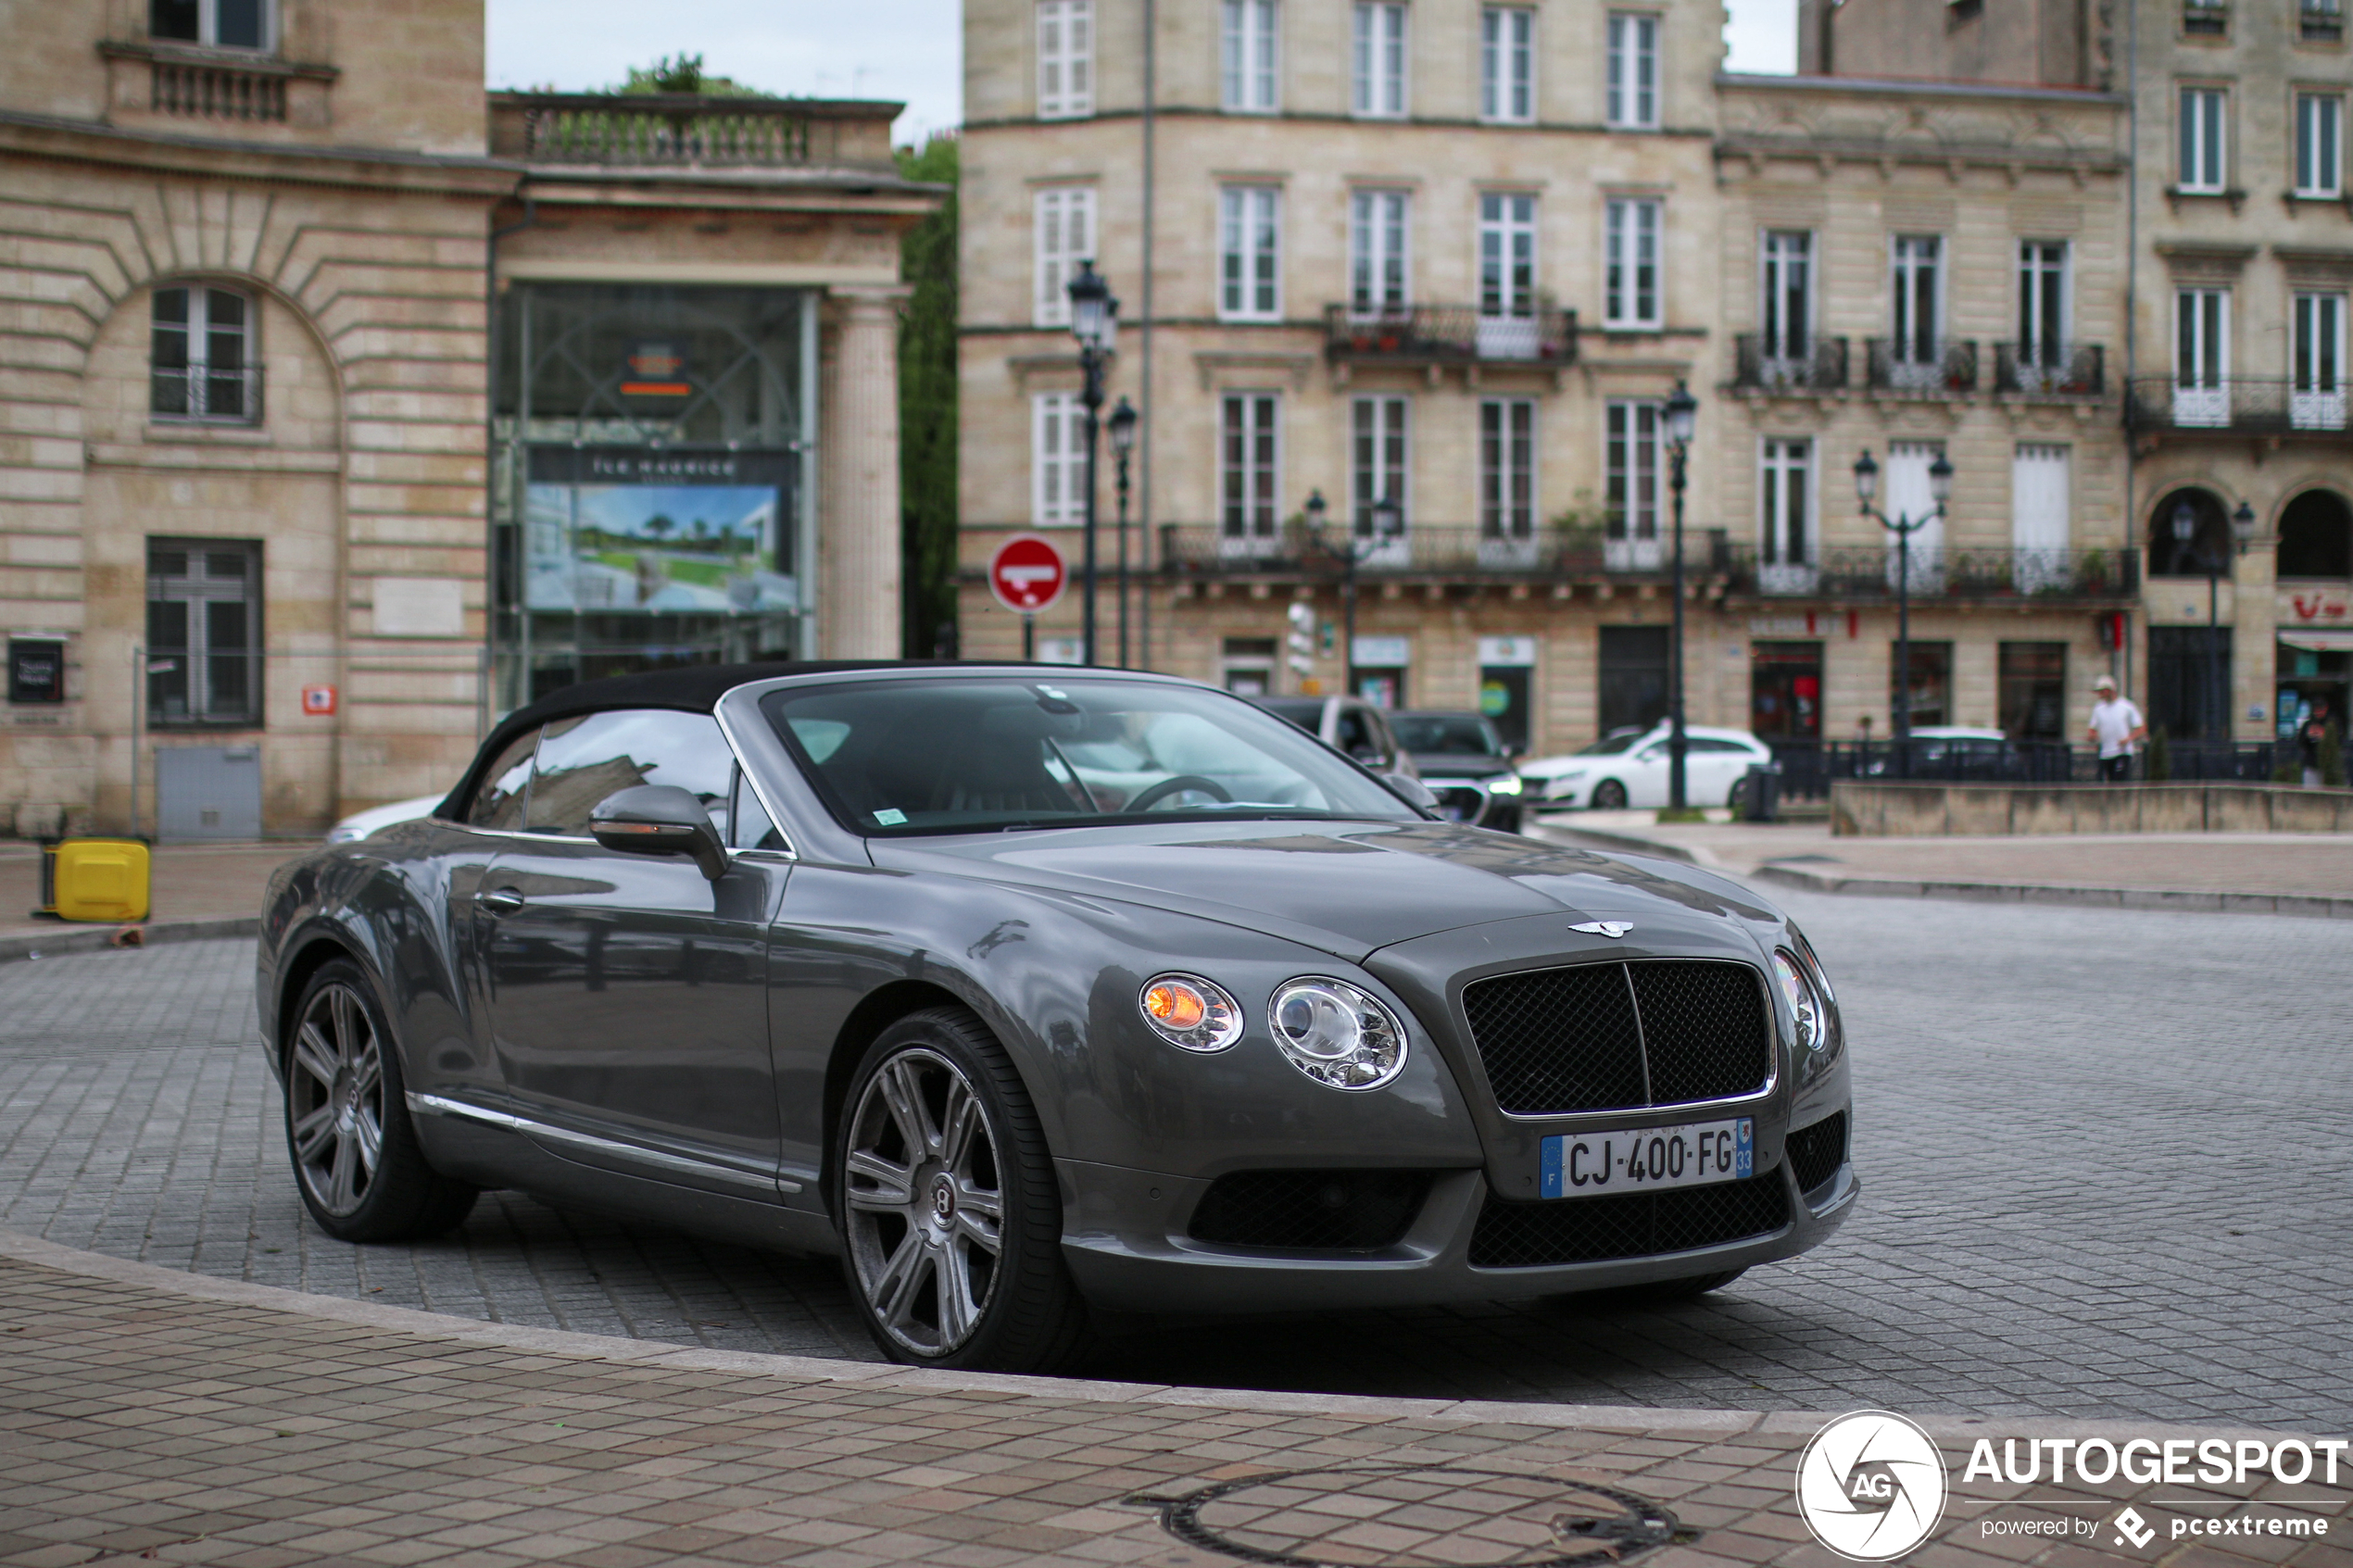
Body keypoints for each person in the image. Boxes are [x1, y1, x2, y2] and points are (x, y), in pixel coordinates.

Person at [2086, 675, 2145, 783]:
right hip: (2105, 752)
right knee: (2106, 781)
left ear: (2108, 691)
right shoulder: (2098, 708)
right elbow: (2092, 728)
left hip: (2122, 752)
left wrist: (2128, 739)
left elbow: (2140, 728)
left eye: (2101, 692)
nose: (2099, 695)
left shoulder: (2126, 706)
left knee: (2120, 781)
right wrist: (2092, 736)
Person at [2298, 696, 2336, 788]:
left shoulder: (2330, 724)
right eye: (2316, 709)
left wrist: (2323, 736)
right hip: (2311, 764)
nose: (2318, 712)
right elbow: (2301, 743)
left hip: (2327, 765)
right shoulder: (2308, 724)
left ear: (2325, 709)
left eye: (2321, 709)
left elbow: (2336, 743)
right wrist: (2308, 736)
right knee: (2310, 789)